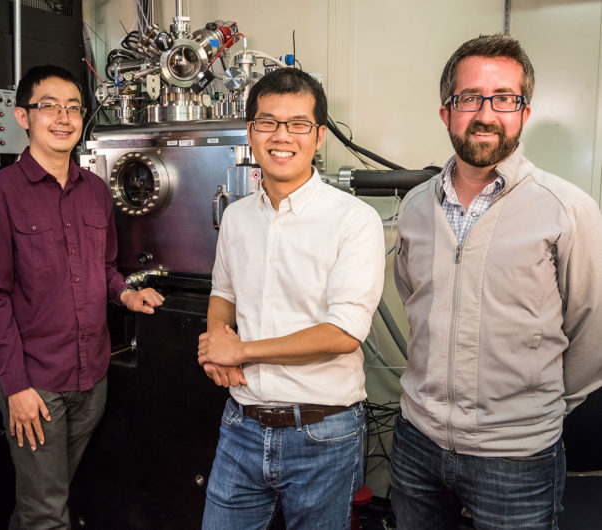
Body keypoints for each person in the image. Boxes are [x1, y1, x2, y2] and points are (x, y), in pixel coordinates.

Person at [392, 34, 602, 529]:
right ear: (446, 112)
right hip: (416, 442)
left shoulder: (567, 210)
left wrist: (533, 411)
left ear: (524, 112)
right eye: (469, 98)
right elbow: (413, 298)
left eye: (504, 98)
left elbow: (591, 333)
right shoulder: (415, 206)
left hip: (517, 459)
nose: (486, 113)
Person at [0, 65, 164, 529]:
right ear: (23, 116)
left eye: (73, 108)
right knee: (46, 511)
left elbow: (104, 268)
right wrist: (15, 387)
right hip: (35, 382)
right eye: (49, 106)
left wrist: (128, 295)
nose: (63, 117)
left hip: (91, 375)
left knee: (46, 499)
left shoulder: (95, 190)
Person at [196, 67, 385, 529]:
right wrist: (215, 342)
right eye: (268, 122)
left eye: (298, 123)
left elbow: (343, 333)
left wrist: (238, 349)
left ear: (319, 136)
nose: (282, 136)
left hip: (323, 433)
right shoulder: (238, 217)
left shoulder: (354, 220)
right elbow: (224, 292)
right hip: (241, 424)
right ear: (251, 131)